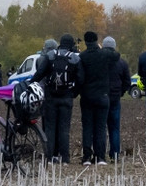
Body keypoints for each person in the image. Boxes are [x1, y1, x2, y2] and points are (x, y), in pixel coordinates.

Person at [31, 34, 83, 163]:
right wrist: (73, 93)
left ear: (60, 43)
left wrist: (30, 84)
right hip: (66, 97)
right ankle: (64, 158)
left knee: (50, 127)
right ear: (71, 44)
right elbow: (81, 79)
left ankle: (50, 157)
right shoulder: (75, 58)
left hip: (50, 97)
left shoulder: (51, 56)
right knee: (64, 128)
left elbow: (40, 73)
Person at [78, 31, 115, 165]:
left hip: (87, 97)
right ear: (96, 41)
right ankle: (100, 157)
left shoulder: (82, 56)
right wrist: (101, 48)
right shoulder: (104, 54)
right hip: (102, 96)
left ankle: (87, 157)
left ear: (86, 41)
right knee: (100, 127)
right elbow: (116, 55)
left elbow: (80, 77)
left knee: (87, 127)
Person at [103, 37, 132, 161]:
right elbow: (127, 82)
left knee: (101, 128)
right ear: (114, 47)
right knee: (114, 128)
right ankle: (115, 154)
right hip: (115, 98)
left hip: (102, 97)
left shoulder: (99, 62)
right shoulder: (122, 63)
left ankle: (100, 154)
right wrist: (121, 92)